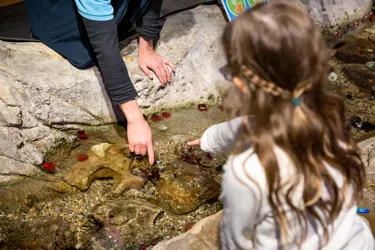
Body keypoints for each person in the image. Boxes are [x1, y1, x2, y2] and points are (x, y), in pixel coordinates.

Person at [188, 1, 375, 249]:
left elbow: (236, 240)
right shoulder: (330, 124)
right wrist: (208, 140)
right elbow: (251, 127)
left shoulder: (247, 172)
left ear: (243, 84)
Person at [25, 0, 176, 165]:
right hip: (59, 17)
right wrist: (135, 118)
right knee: (85, 49)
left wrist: (146, 47)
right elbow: (104, 46)